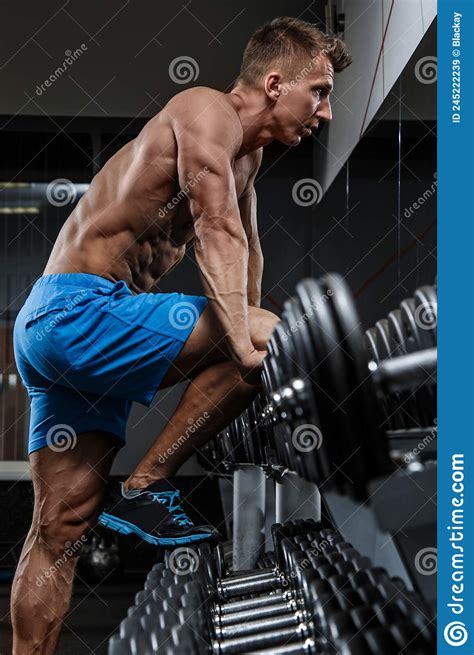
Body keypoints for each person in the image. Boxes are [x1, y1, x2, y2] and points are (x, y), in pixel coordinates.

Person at [11, 16, 351, 654]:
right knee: (270, 338)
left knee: (59, 531)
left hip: (72, 336)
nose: (325, 113)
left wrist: (247, 344)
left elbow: (245, 259)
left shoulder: (244, 156)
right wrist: (255, 348)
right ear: (275, 83)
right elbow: (216, 228)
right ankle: (150, 484)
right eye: (320, 92)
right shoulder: (204, 110)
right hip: (77, 312)